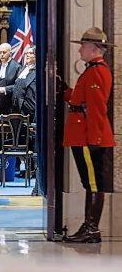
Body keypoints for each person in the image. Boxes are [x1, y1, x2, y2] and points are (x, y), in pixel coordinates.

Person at [61, 27, 115, 244]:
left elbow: (96, 109)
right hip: (84, 136)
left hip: (89, 138)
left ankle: (91, 228)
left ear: (93, 49)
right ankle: (88, 226)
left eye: (83, 46)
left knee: (93, 184)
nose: (80, 50)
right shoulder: (92, 70)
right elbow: (80, 99)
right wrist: (65, 91)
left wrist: (95, 140)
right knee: (89, 183)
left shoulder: (97, 72)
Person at [0, 43, 21, 115]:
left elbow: (19, 87)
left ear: (10, 53)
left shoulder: (17, 67)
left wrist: (4, 89)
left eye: (4, 52)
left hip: (9, 106)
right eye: (0, 52)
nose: (1, 55)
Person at [11, 46, 36, 122]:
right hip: (17, 109)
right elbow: (16, 86)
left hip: (28, 110)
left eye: (31, 53)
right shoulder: (23, 69)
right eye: (27, 53)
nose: (27, 55)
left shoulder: (37, 71)